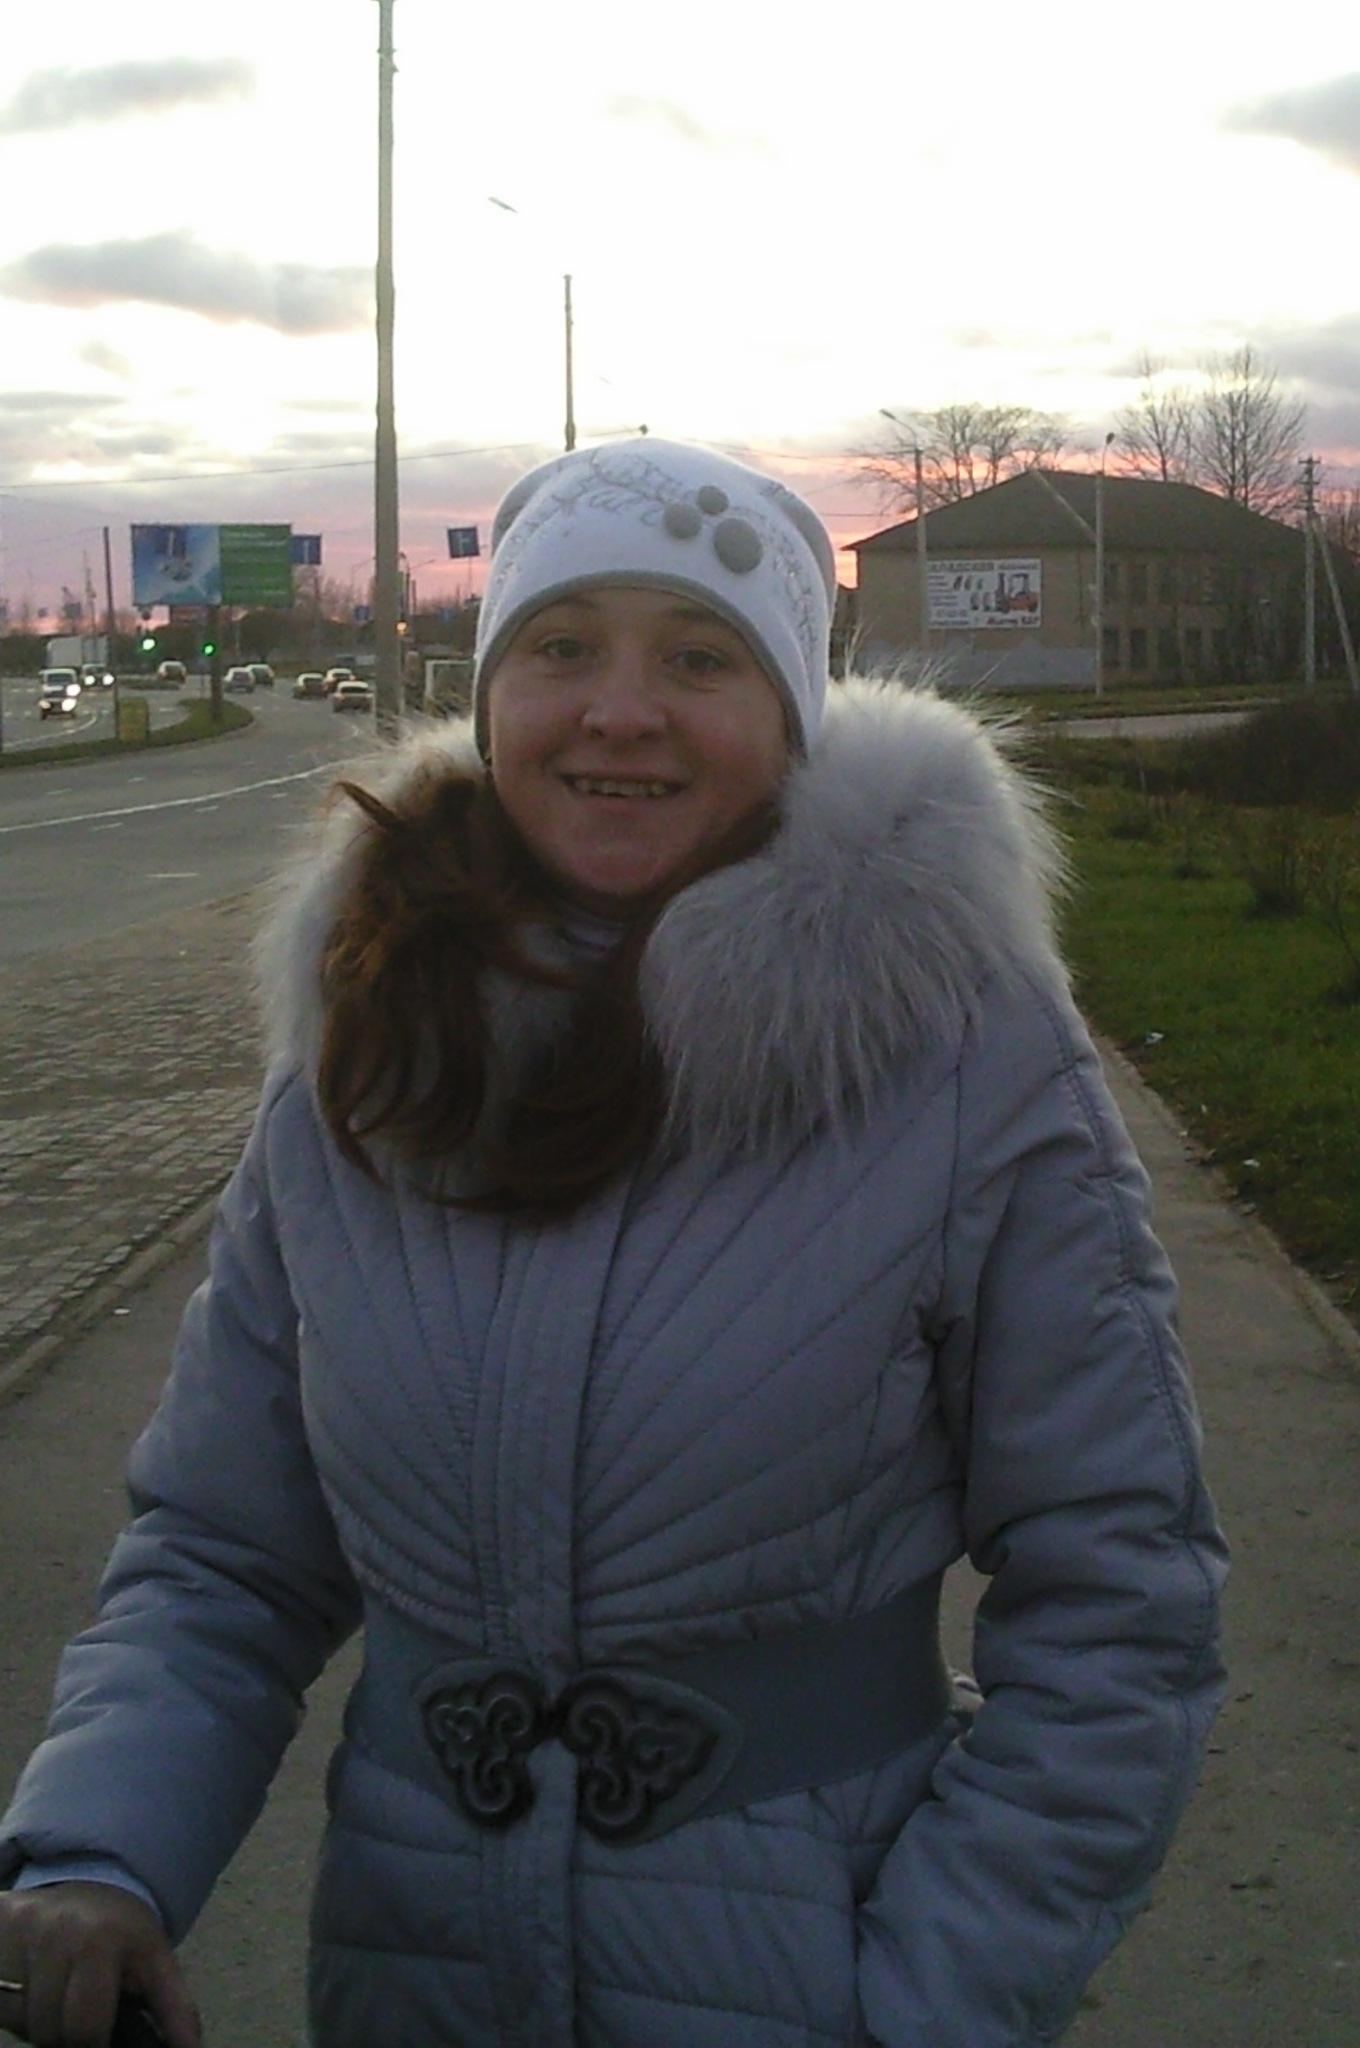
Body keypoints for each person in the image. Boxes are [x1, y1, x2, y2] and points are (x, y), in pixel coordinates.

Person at [0, 439, 1226, 2048]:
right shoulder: (368, 1043)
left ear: (791, 713)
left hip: (812, 1975)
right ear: (492, 693)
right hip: (408, 1973)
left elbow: (1121, 1600)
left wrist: (932, 2000)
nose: (621, 712)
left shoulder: (963, 1054)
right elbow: (225, 1552)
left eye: (699, 659)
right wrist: (101, 1850)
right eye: (564, 647)